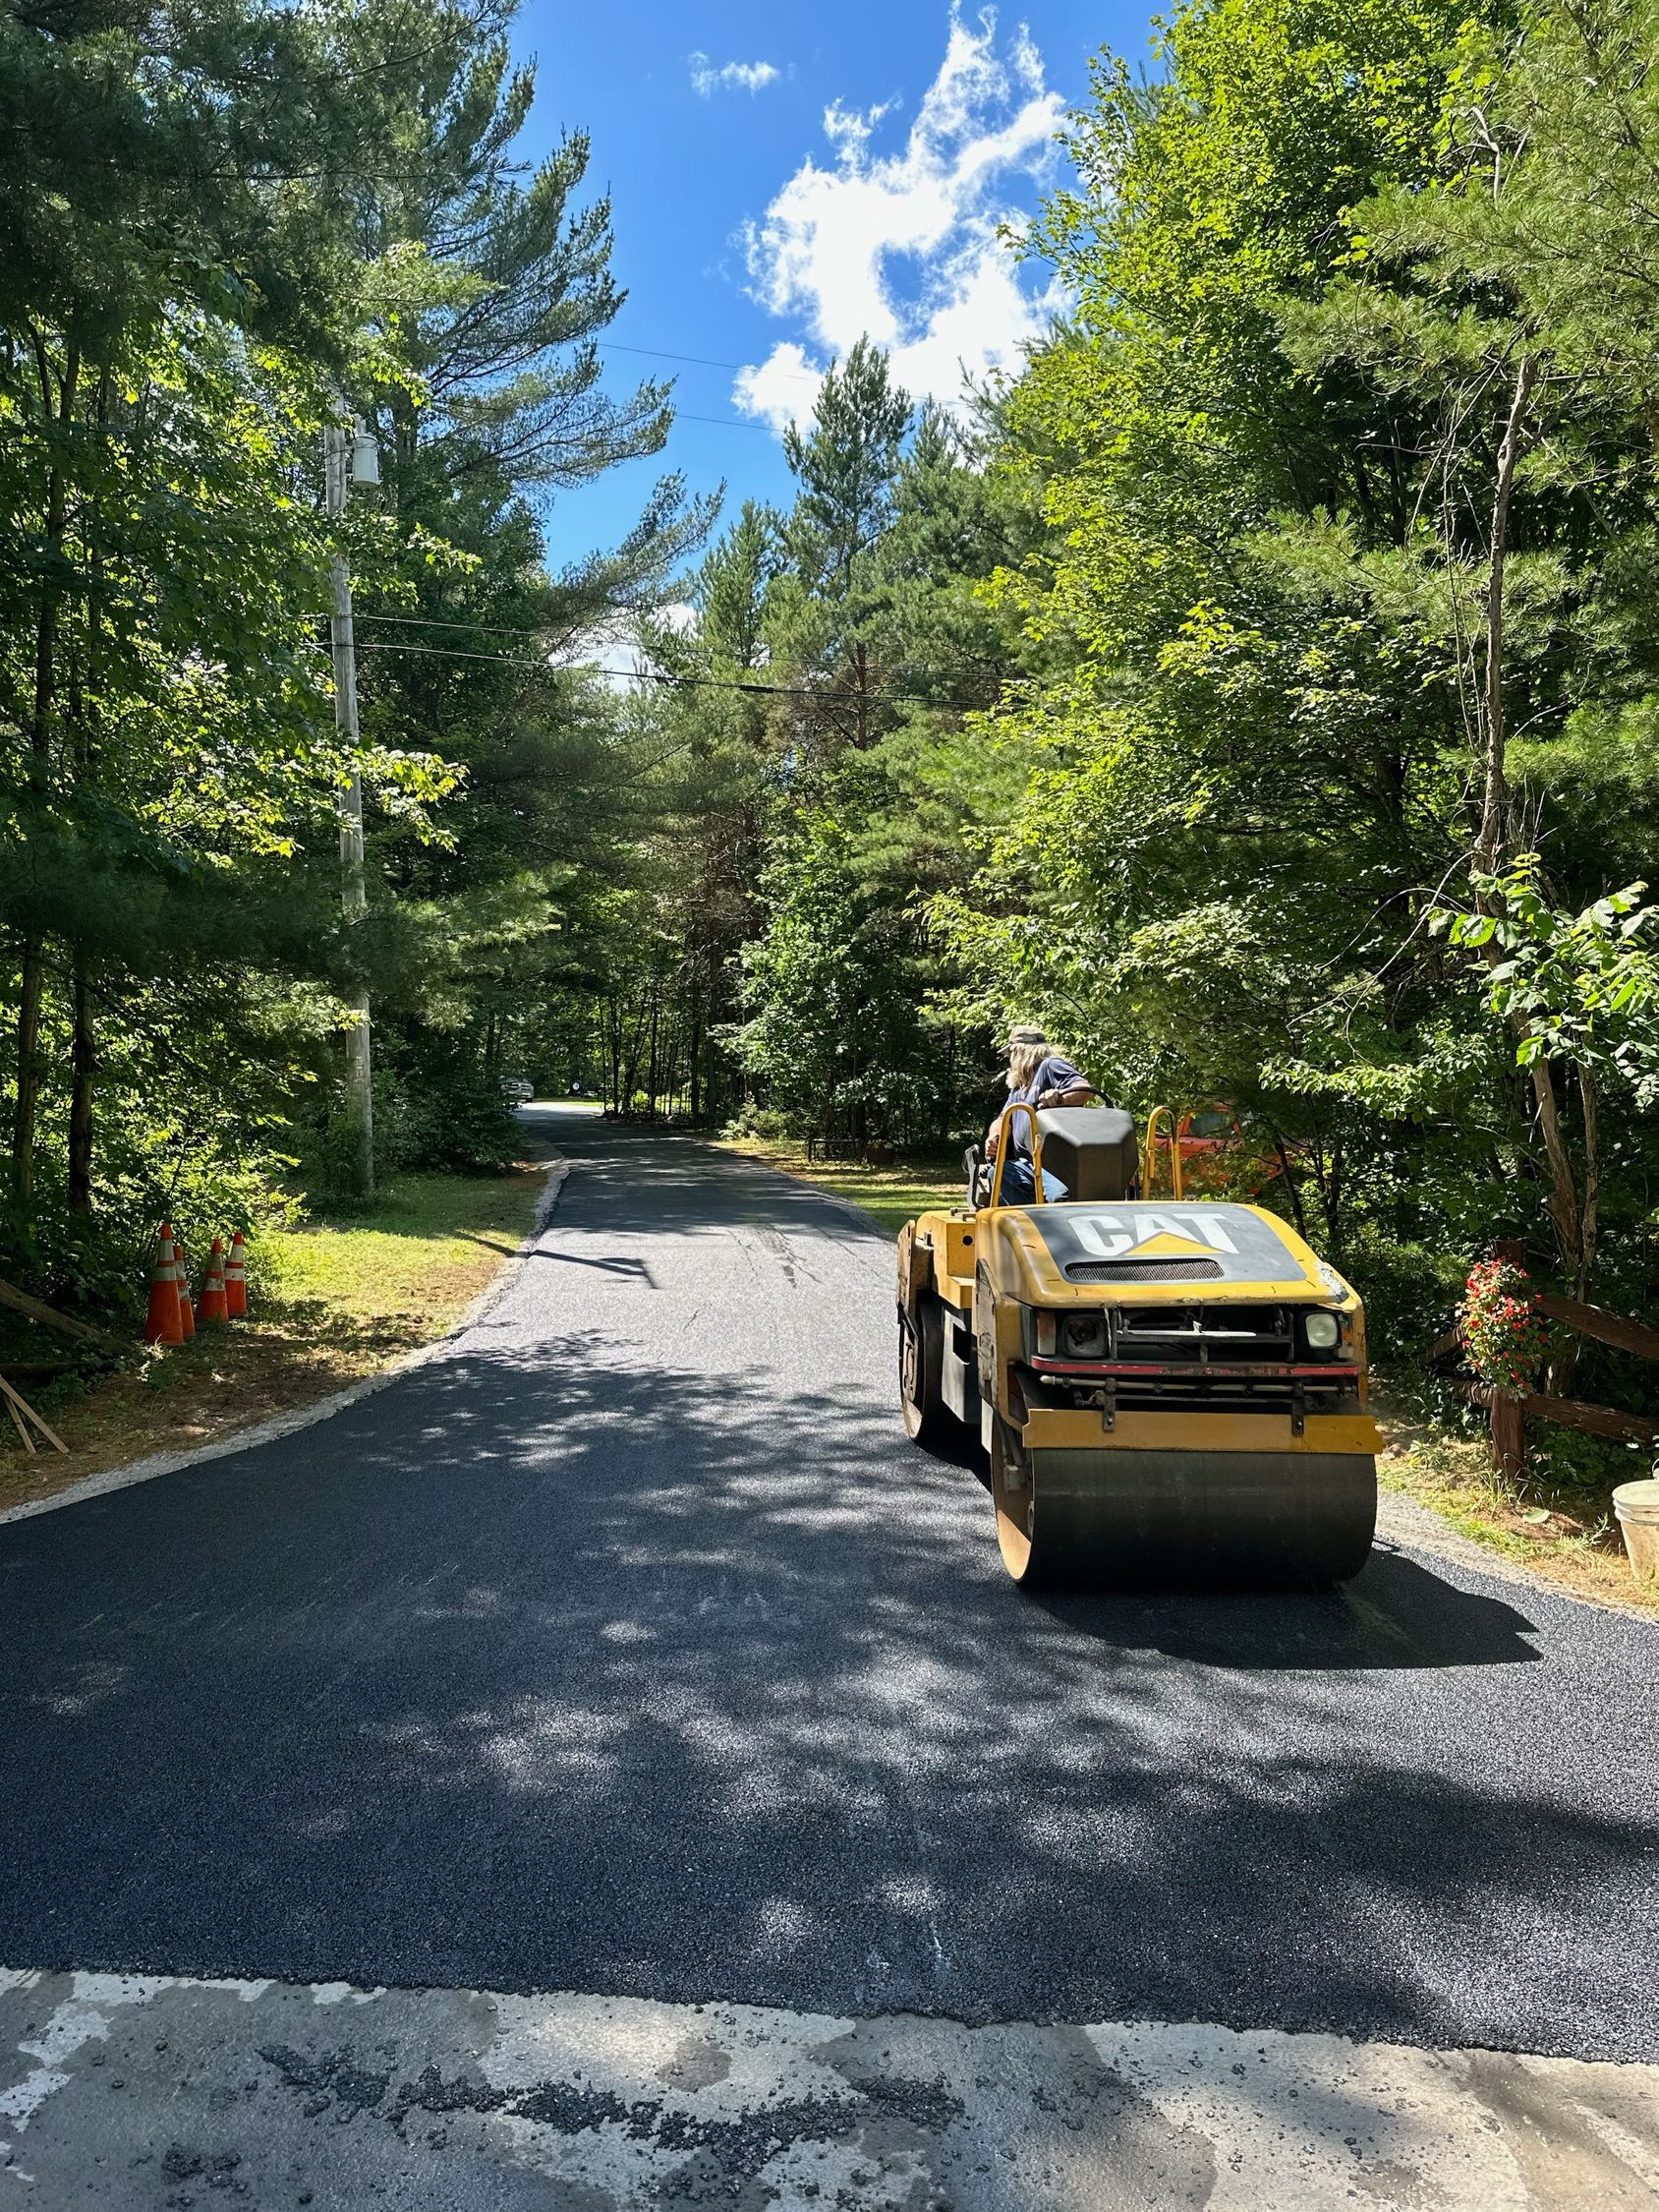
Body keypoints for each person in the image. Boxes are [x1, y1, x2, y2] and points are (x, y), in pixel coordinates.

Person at [984, 1024, 1097, 1203]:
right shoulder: (1019, 1086)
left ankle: (1055, 1229)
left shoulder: (1050, 1065)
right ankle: (1024, 1228)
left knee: (1059, 1197)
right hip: (1025, 1163)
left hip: (1054, 1164)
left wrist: (1060, 1097)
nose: (1010, 1060)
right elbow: (1003, 1118)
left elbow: (1084, 1090)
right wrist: (994, 1137)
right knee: (999, 1173)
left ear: (1020, 1051)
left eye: (1011, 1054)